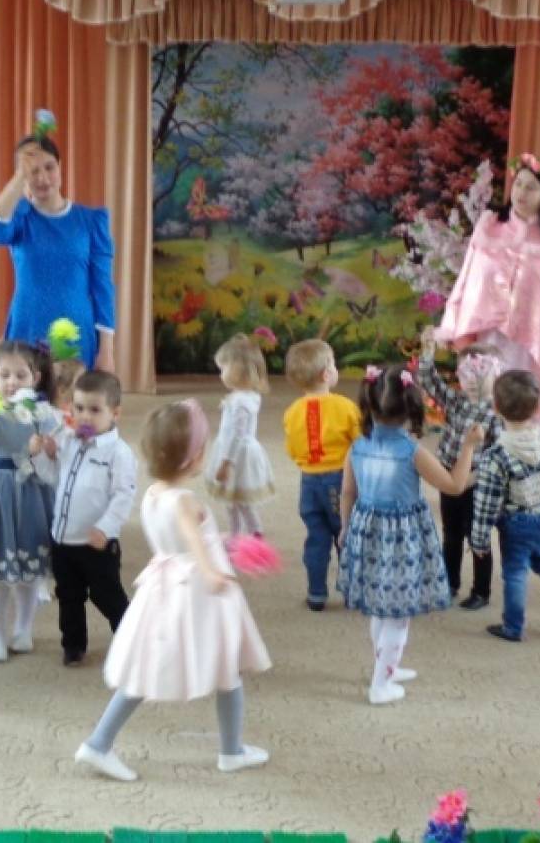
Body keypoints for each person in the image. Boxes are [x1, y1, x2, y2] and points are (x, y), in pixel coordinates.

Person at [74, 400, 271, 782]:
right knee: (226, 667)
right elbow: (192, 540)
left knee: (146, 668)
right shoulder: (185, 500)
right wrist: (212, 570)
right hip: (195, 595)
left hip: (162, 589)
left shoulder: (153, 494)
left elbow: (184, 538)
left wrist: (222, 541)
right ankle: (231, 751)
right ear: (193, 459)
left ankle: (99, 742)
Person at [337, 366, 482, 705]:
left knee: (380, 608)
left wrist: (345, 527)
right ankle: (380, 684)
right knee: (397, 615)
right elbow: (455, 485)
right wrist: (469, 447)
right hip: (400, 540)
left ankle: (385, 665)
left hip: (366, 531)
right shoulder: (411, 450)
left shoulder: (358, 445)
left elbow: (347, 492)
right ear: (412, 408)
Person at [436, 153, 540, 423]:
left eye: (531, 188)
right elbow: (466, 278)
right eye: (518, 184)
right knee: (485, 398)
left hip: (530, 338)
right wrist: (452, 323)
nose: (521, 193)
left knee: (523, 401)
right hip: (486, 332)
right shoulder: (489, 225)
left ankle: (524, 446)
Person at [0, 116, 116, 371]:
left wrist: (107, 350)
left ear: (60, 166)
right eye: (32, 171)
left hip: (76, 333)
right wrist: (18, 178)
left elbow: (103, 288)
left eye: (49, 167)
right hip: (27, 328)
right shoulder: (20, 218)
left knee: (72, 395)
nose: (43, 178)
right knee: (23, 394)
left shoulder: (91, 221)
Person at [0, 340, 59, 661]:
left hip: (31, 491)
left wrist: (47, 448)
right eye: (4, 375)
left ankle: (24, 629)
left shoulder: (41, 411)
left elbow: (56, 446)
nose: (12, 382)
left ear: (36, 377)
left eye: (21, 375)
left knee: (29, 572)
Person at [35, 370, 136, 667]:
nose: (84, 416)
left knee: (107, 596)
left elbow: (124, 495)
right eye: (78, 408)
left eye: (94, 410)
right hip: (63, 539)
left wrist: (106, 527)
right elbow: (52, 478)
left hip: (97, 543)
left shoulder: (118, 453)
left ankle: (133, 640)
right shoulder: (68, 441)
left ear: (115, 413)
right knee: (68, 596)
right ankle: (73, 645)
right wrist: (44, 456)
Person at [470, 370, 540, 642]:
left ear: (496, 408)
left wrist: (479, 539)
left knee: (515, 572)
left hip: (516, 523)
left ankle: (513, 626)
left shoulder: (496, 455)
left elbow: (485, 503)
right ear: (537, 407)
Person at [418, 327, 504, 610]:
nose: (472, 381)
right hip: (449, 476)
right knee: (451, 532)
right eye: (466, 374)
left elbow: (499, 455)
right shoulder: (457, 400)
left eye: (480, 374)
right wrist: (428, 351)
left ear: (496, 375)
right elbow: (429, 382)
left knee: (477, 536)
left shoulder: (497, 414)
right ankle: (449, 582)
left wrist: (475, 478)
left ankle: (481, 590)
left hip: (477, 482)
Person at [282, 339, 362, 612]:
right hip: (340, 480)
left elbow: (292, 450)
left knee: (316, 537)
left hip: (308, 482)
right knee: (345, 533)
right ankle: (352, 591)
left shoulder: (292, 412)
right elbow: (360, 443)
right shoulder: (345, 407)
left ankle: (316, 593)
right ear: (327, 374)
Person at [205, 335, 275, 537]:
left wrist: (226, 463)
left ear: (238, 370)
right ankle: (236, 534)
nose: (221, 375)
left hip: (236, 456)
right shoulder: (247, 397)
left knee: (240, 502)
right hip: (237, 451)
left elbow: (237, 436)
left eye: (223, 369)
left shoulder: (240, 402)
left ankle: (255, 533)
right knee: (233, 501)